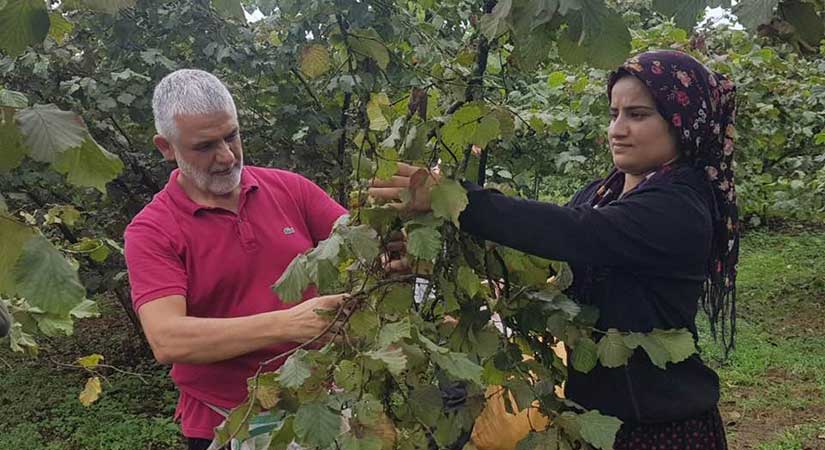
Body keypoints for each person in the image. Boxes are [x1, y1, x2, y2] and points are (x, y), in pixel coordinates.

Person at [370, 50, 737, 449]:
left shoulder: (680, 206)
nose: (617, 128)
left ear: (681, 121)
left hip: (658, 428)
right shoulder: (601, 192)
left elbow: (572, 232)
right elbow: (541, 262)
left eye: (638, 114)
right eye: (614, 113)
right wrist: (437, 259)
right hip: (592, 417)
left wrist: (454, 198)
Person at [124, 69, 348, 450]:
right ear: (166, 147)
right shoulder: (152, 230)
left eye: (231, 136)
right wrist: (290, 324)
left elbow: (357, 242)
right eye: (205, 146)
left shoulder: (288, 189)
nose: (226, 157)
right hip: (227, 423)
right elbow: (167, 339)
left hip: (317, 406)